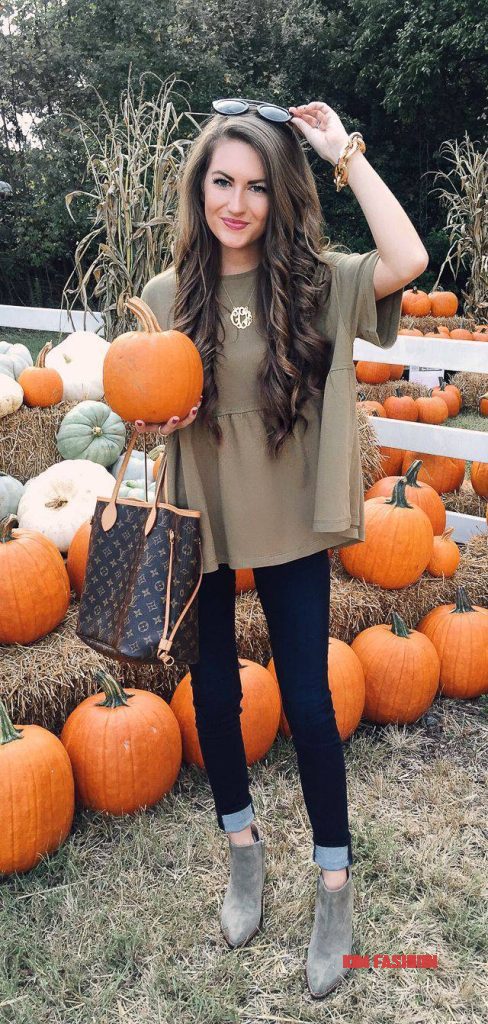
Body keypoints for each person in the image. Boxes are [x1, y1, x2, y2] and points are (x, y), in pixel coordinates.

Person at [138, 97, 429, 998]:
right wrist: (157, 418)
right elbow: (141, 411)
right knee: (214, 698)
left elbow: (410, 259)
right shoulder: (162, 297)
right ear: (200, 189)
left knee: (308, 700)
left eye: (257, 186)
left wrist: (345, 153)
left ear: (278, 194)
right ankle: (244, 856)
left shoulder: (314, 281)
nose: (237, 202)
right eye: (222, 181)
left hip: (291, 515)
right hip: (207, 516)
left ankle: (334, 888)